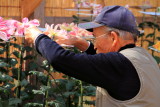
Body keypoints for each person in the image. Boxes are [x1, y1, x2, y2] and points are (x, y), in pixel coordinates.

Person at [25, 5, 160, 107]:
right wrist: (80, 43)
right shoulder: (144, 57)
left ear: (113, 37)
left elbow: (59, 59)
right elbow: (106, 65)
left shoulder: (119, 64)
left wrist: (37, 36)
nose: (94, 45)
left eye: (95, 37)